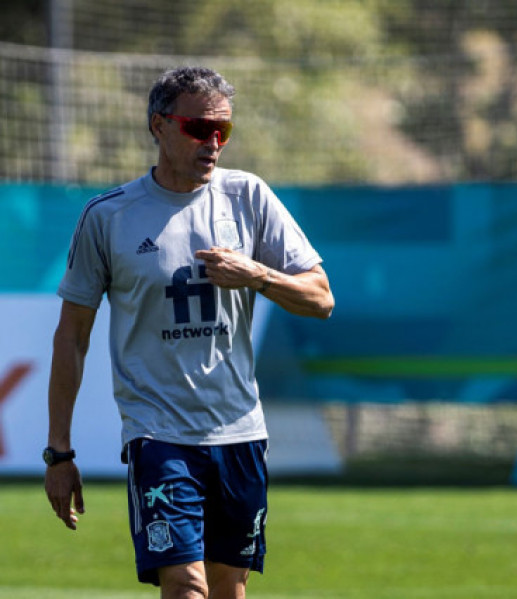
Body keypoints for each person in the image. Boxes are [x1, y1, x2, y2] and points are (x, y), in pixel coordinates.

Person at [44, 66, 334, 599]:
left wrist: (259, 275)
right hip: (157, 435)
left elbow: (321, 299)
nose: (214, 143)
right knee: (185, 587)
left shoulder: (248, 197)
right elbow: (72, 338)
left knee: (228, 590)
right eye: (199, 129)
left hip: (240, 432)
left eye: (223, 131)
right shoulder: (108, 218)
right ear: (159, 126)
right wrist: (59, 453)